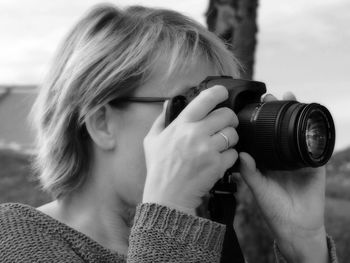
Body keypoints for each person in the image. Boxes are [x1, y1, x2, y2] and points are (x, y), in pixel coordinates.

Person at [0, 4, 338, 263]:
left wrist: (304, 245)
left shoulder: (198, 243)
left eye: (225, 108)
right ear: (102, 122)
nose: (218, 127)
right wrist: (169, 214)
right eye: (193, 106)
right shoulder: (16, 239)